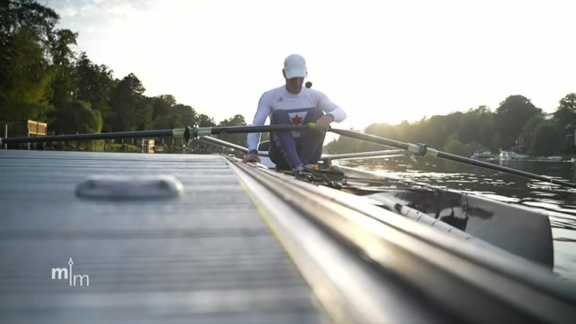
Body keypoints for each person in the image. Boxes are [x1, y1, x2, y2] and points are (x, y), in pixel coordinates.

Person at [243, 54, 347, 172]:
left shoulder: (315, 95)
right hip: (280, 156)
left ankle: (300, 166)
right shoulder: (270, 96)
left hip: (310, 155)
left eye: (300, 78)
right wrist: (252, 151)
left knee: (316, 113)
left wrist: (329, 117)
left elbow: (342, 113)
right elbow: (257, 126)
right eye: (292, 78)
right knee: (279, 115)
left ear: (305, 73)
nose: (297, 82)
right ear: (284, 74)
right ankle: (299, 167)